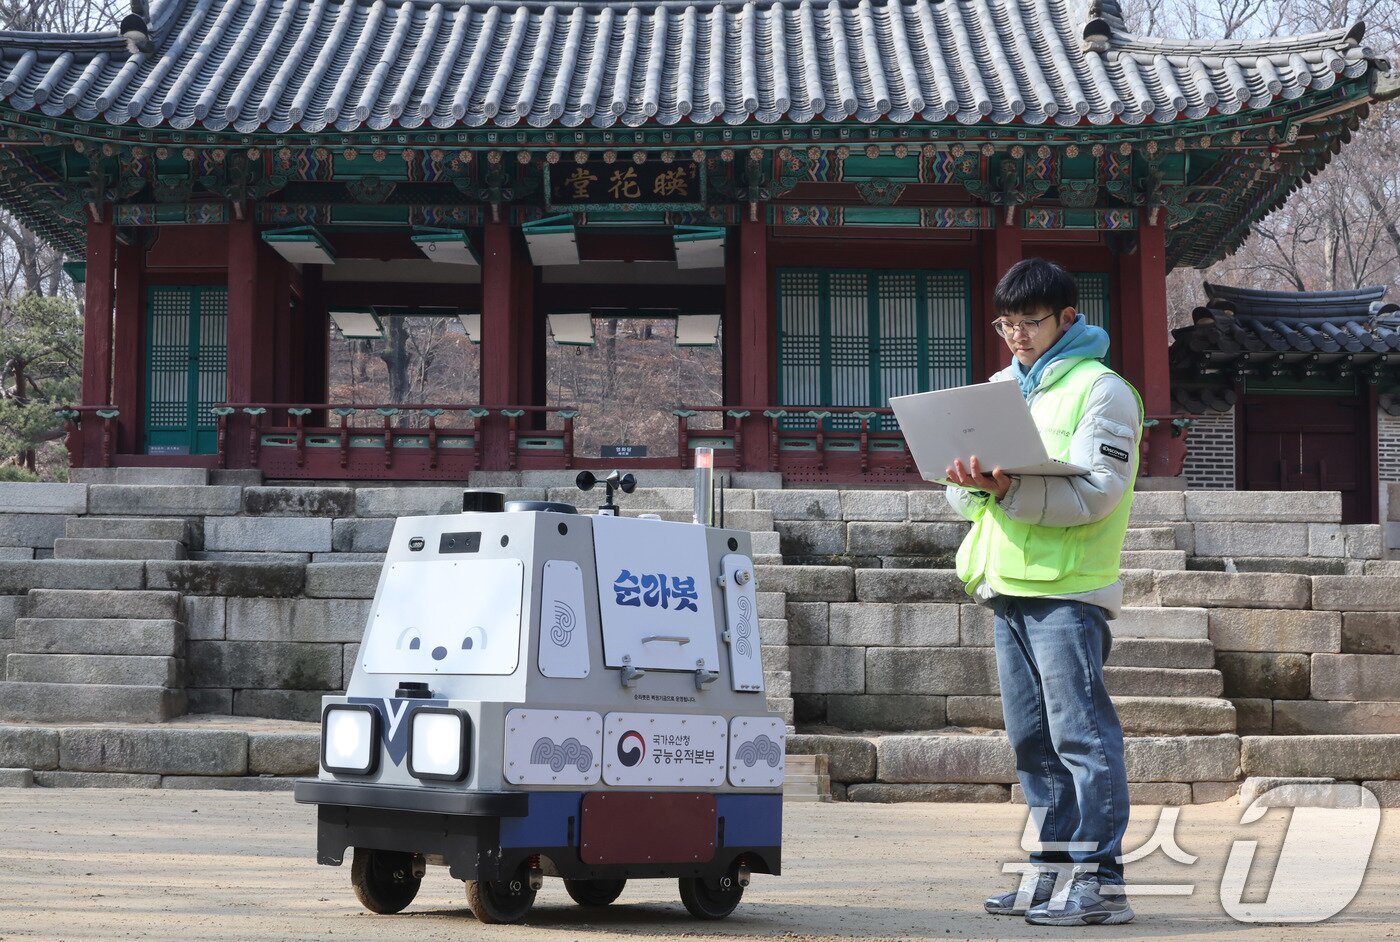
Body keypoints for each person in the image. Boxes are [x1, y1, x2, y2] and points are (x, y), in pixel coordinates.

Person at [944, 257, 1142, 927]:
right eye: (1006, 323)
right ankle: (1051, 871)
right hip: (1005, 581)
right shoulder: (1001, 388)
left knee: (1082, 736)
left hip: (1070, 589)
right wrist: (969, 480)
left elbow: (1097, 493)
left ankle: (1103, 883)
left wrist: (1009, 490)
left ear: (1068, 318)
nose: (1017, 336)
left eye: (1030, 322)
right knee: (1031, 740)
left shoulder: (1103, 391)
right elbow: (963, 499)